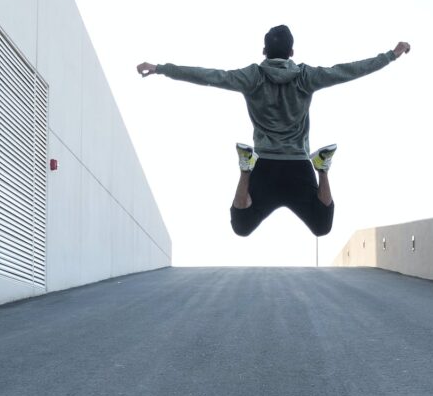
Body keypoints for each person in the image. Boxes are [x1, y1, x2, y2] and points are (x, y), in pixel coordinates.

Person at [136, 25, 410, 237]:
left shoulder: (252, 76)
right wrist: (391, 56)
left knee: (241, 227)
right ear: (292, 52)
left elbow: (210, 76)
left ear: (264, 51)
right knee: (322, 226)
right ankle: (322, 168)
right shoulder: (305, 76)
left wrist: (161, 68)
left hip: (263, 165)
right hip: (298, 166)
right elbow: (348, 71)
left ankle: (245, 168)